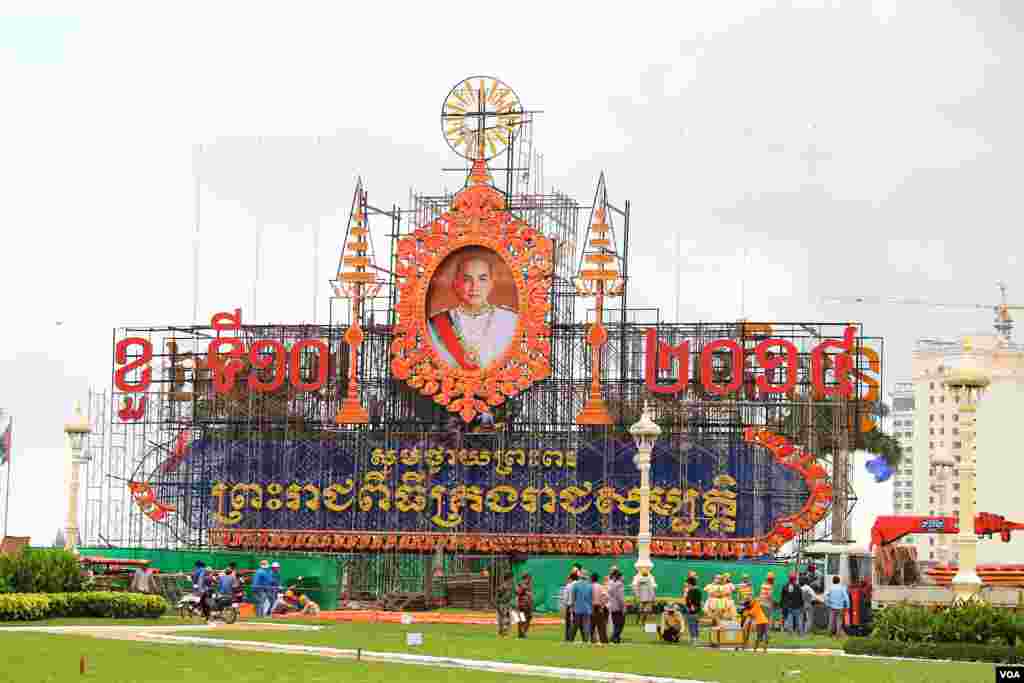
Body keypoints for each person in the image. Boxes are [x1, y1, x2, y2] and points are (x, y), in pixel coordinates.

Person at [427, 253, 519, 370]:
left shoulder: (510, 320)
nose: (475, 287)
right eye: (467, 280)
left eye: (482, 279)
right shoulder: (435, 324)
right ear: (456, 284)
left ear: (491, 283)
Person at [569, 570, 593, 643]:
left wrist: (571, 607)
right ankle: (585, 640)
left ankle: (571, 639)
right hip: (587, 609)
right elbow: (591, 598)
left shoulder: (575, 585)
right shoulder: (589, 585)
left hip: (578, 608)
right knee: (586, 626)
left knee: (575, 626)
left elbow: (573, 597)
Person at [607, 568, 626, 644]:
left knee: (615, 623)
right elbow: (620, 597)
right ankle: (613, 637)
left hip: (612, 606)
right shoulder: (619, 585)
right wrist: (623, 607)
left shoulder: (610, 584)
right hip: (618, 607)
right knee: (620, 624)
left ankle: (616, 639)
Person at [590, 573, 609, 645]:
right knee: (601, 625)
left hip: (591, 607)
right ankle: (604, 640)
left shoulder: (589, 587)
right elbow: (606, 596)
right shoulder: (600, 587)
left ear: (591, 579)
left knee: (591, 625)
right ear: (597, 579)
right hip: (599, 607)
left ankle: (591, 639)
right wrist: (602, 605)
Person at [683, 575, 702, 645]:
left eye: (687, 583)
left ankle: (693, 639)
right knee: (696, 624)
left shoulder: (691, 590)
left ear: (690, 583)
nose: (686, 584)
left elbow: (690, 600)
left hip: (692, 610)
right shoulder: (698, 590)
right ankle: (697, 638)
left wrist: (691, 607)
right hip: (697, 609)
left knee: (692, 624)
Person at [515, 573, 534, 638]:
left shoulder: (528, 585)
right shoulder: (521, 584)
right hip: (523, 605)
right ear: (526, 578)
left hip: (527, 605)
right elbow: (517, 592)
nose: (530, 580)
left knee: (527, 618)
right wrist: (524, 590)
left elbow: (530, 595)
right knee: (522, 619)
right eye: (529, 579)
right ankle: (522, 634)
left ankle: (522, 633)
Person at [560, 573, 577, 641]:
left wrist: (564, 605)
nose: (567, 580)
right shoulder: (578, 584)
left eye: (568, 578)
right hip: (578, 606)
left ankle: (568, 638)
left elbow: (565, 598)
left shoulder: (568, 586)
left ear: (571, 579)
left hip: (569, 606)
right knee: (578, 623)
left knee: (569, 623)